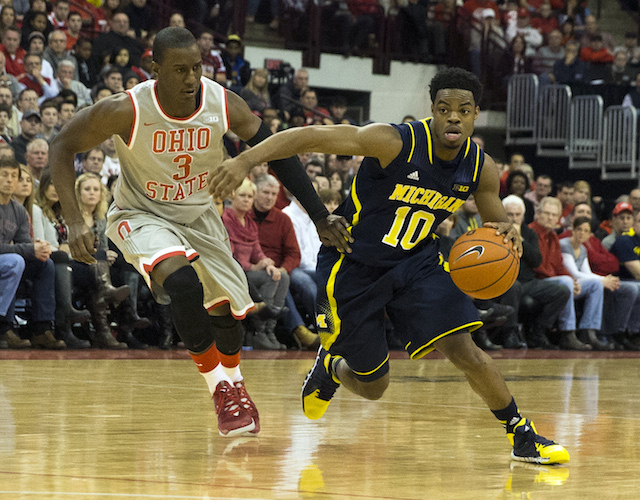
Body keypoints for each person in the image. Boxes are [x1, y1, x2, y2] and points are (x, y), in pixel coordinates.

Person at [210, 67, 569, 464]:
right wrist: (245, 159)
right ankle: (333, 366)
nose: (453, 117)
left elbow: (494, 220)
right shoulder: (393, 141)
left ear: (475, 115)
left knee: (466, 349)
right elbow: (305, 136)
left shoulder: (480, 167)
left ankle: (521, 434)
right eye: (444, 108)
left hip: (417, 263)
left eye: (463, 110)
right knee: (374, 384)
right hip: (353, 263)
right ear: (431, 110)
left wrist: (506, 233)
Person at [50, 27, 350, 437]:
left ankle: (235, 382)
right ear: (155, 70)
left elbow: (276, 148)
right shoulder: (126, 109)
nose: (191, 79)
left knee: (229, 316)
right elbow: (62, 145)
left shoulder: (221, 102)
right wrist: (77, 221)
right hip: (141, 213)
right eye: (180, 70)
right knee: (183, 282)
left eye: (196, 68)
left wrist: (317, 214)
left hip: (200, 217)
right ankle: (219, 390)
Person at [0, 157, 62, 348]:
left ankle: (42, 328)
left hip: (8, 260)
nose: (10, 180)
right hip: (7, 261)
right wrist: (28, 248)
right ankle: (4, 327)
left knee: (45, 264)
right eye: (4, 175)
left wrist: (38, 248)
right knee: (15, 262)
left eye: (13, 176)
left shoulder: (18, 210)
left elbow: (24, 244)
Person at [529, 196, 602, 350]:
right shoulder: (531, 232)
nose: (550, 218)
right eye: (547, 213)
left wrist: (572, 280)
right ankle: (567, 333)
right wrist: (566, 280)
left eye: (554, 215)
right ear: (539, 213)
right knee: (565, 282)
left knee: (595, 284)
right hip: (537, 281)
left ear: (558, 217)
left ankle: (588, 331)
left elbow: (559, 265)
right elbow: (538, 267)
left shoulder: (553, 235)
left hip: (554, 280)